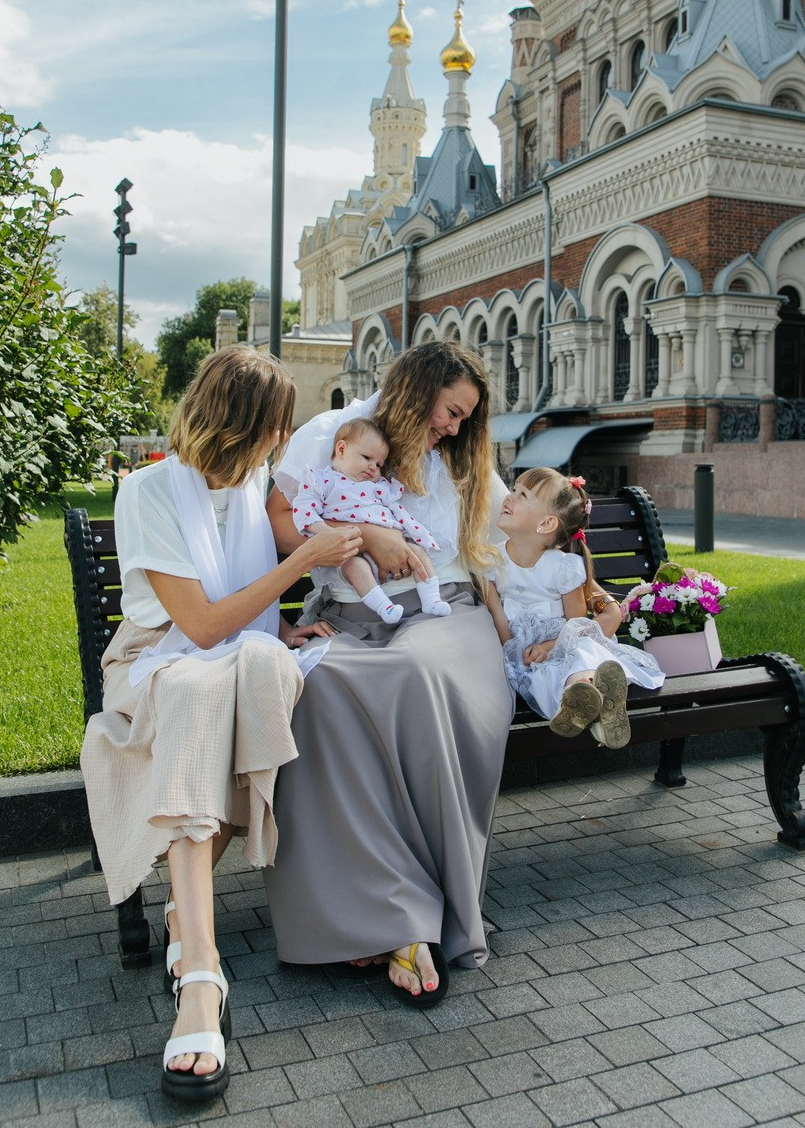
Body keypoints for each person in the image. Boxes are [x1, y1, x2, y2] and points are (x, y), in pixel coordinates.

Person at [80, 346, 361, 1103]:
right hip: (156, 663)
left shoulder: (254, 485)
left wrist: (283, 627)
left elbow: (246, 617)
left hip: (233, 656)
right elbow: (201, 627)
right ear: (240, 423)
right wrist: (299, 561)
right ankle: (200, 975)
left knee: (272, 672)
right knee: (202, 694)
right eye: (275, 427)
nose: (281, 441)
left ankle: (187, 918)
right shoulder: (147, 491)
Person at [264, 341, 514, 1007]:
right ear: (416, 388)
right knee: (317, 687)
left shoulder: (463, 460)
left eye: (466, 418)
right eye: (450, 410)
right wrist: (361, 537)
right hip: (348, 613)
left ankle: (414, 916)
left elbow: (511, 542)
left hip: (445, 616)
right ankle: (371, 914)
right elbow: (282, 530)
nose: (456, 428)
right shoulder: (334, 435)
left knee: (411, 672)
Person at [484, 467, 664, 747]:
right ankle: (595, 709)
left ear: (545, 524)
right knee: (542, 675)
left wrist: (549, 647)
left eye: (522, 495)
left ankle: (584, 690)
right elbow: (497, 613)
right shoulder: (491, 560)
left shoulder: (564, 568)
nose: (508, 497)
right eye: (513, 489)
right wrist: (514, 652)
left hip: (561, 641)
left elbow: (577, 625)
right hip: (524, 649)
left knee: (579, 654)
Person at [292, 415, 451, 625]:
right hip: (352, 550)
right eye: (367, 458)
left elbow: (399, 511)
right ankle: (384, 607)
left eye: (379, 464)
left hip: (392, 544)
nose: (373, 467)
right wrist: (327, 533)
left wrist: (418, 534)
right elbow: (304, 510)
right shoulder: (322, 480)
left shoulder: (380, 486)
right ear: (341, 450)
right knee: (352, 566)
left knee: (419, 553)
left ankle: (432, 599)